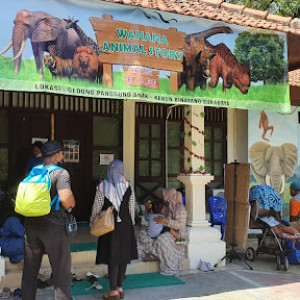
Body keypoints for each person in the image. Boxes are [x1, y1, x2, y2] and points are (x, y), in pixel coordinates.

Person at [21, 140, 75, 300]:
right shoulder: (60, 173)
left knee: (30, 271)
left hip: (31, 227)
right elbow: (66, 200)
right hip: (54, 228)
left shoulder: (33, 171)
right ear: (56, 155)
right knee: (61, 270)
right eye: (61, 152)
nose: (63, 155)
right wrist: (72, 202)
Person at [90, 159, 138, 300]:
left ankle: (112, 292)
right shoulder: (127, 186)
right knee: (122, 257)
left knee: (112, 257)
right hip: (125, 225)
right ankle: (119, 288)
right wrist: (131, 224)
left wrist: (93, 223)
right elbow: (131, 208)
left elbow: (96, 208)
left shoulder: (102, 187)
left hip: (108, 226)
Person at [137, 188, 187, 275]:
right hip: (163, 229)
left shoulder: (180, 209)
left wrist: (166, 221)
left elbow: (180, 225)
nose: (164, 199)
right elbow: (150, 217)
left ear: (171, 197)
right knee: (142, 232)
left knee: (162, 239)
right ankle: (152, 254)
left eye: (166, 197)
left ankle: (168, 262)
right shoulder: (167, 207)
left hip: (176, 233)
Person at [0, 188, 24, 264]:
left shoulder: (7, 217)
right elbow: (23, 233)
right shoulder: (11, 219)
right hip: (6, 245)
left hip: (4, 245)